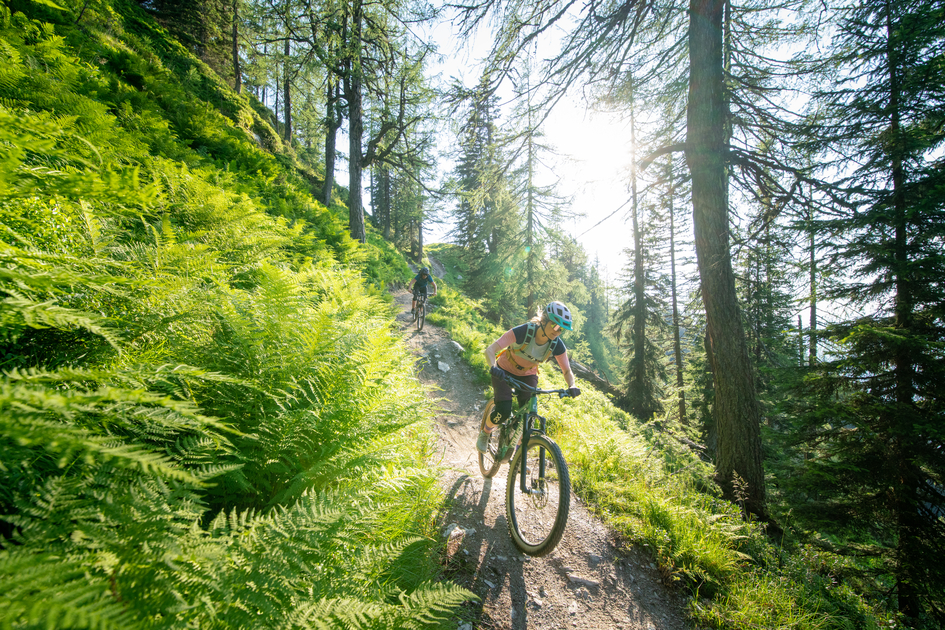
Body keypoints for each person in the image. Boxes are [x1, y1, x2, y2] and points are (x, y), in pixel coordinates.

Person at [477, 300, 581, 453]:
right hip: (504, 370)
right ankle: (485, 432)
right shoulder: (523, 331)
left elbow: (567, 371)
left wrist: (571, 385)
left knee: (530, 417)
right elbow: (490, 350)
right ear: (544, 320)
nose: (557, 331)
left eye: (561, 329)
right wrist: (493, 368)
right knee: (503, 410)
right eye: (555, 325)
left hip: (527, 375)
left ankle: (519, 454)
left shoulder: (557, 345)